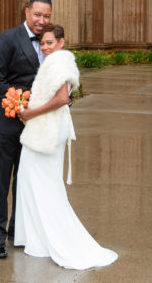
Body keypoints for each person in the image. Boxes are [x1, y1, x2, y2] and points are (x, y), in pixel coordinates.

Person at [15, 24, 118, 270]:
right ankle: (37, 239)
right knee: (33, 180)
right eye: (42, 43)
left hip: (47, 129)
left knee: (41, 182)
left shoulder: (59, 63)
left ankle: (48, 239)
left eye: (50, 42)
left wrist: (30, 113)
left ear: (61, 42)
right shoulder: (57, 62)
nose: (45, 47)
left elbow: (63, 99)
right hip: (46, 128)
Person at [0, 0, 52, 259]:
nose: (41, 20)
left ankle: (16, 230)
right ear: (27, 12)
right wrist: (19, 104)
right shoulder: (7, 39)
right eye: (37, 15)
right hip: (5, 123)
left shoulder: (49, 44)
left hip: (34, 125)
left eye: (46, 16)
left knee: (24, 179)